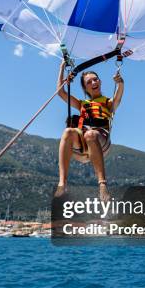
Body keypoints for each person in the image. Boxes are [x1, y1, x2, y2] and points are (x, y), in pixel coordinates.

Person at [55, 61, 124, 201]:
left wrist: (120, 83)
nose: (93, 82)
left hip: (101, 141)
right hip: (82, 146)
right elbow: (61, 93)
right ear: (85, 88)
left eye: (95, 79)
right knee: (68, 131)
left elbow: (118, 98)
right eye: (89, 82)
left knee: (90, 134)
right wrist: (62, 68)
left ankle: (102, 184)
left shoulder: (108, 103)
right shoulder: (82, 104)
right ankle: (62, 182)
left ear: (100, 81)